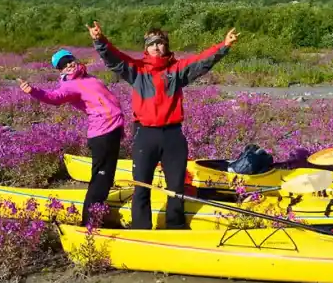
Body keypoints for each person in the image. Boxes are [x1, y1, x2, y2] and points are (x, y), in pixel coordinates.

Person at [86, 21, 238, 230]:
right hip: (145, 136)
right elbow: (114, 58)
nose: (156, 47)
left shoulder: (177, 70)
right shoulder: (137, 70)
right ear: (146, 48)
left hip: (173, 136)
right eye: (152, 44)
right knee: (142, 187)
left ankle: (175, 227)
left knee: (176, 188)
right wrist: (100, 40)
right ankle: (141, 229)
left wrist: (224, 45)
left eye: (160, 43)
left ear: (166, 46)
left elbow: (202, 61)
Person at [17, 49, 125, 227]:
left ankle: (96, 215)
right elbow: (55, 98)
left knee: (106, 178)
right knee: (100, 179)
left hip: (112, 130)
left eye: (69, 60)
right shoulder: (69, 85)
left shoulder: (87, 77)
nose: (68, 65)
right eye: (63, 65)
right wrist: (33, 91)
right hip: (102, 133)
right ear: (60, 70)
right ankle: (89, 223)